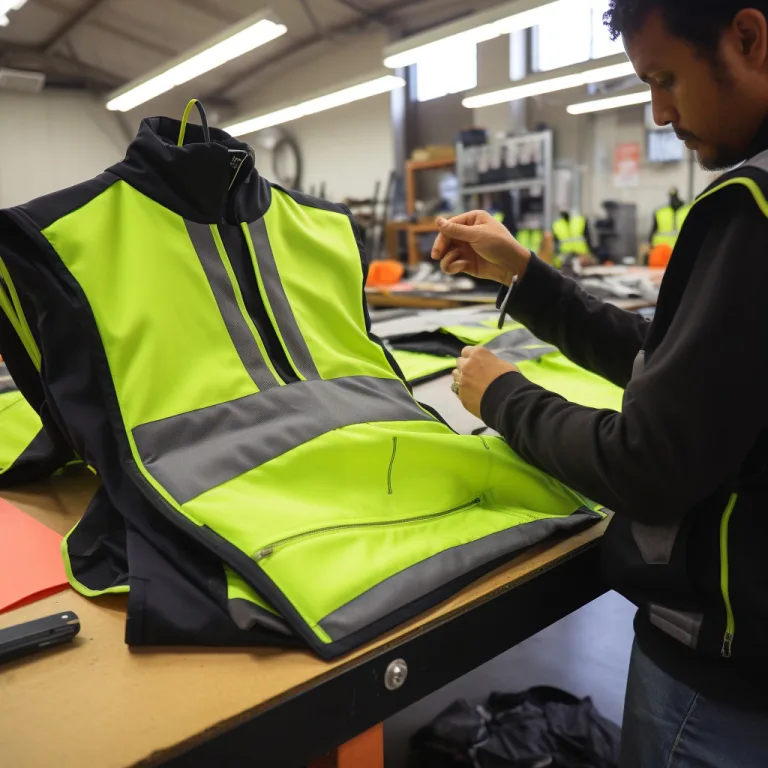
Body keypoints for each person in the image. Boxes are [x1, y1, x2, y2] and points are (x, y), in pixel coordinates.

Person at [431, 3, 768, 766]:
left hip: (718, 688)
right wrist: (530, 281)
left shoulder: (751, 211)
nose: (658, 111)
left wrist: (503, 396)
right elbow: (694, 368)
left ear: (747, 38)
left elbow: (649, 465)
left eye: (665, 78)